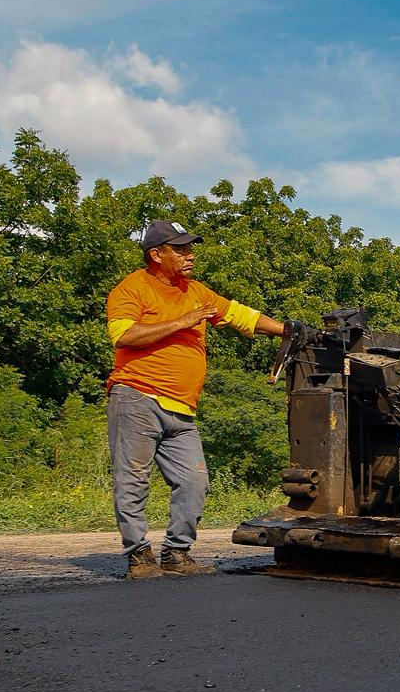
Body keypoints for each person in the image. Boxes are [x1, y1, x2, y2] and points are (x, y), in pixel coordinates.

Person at [104, 219, 284, 579]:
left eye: (189, 248)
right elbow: (124, 336)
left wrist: (287, 329)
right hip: (137, 397)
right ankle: (139, 557)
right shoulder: (131, 289)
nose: (190, 255)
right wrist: (183, 321)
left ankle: (176, 554)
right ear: (156, 254)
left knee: (195, 480)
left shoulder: (196, 291)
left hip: (182, 408)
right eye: (180, 249)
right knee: (133, 480)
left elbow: (238, 314)